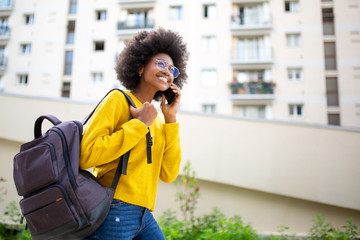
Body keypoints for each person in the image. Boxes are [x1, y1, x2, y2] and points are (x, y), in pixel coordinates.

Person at [80, 28, 189, 240]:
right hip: (114, 208)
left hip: (144, 214)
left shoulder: (158, 120)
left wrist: (170, 119)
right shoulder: (117, 100)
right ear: (140, 67)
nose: (167, 71)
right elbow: (87, 155)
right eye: (160, 64)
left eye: (173, 69)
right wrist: (139, 125)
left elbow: (169, 174)